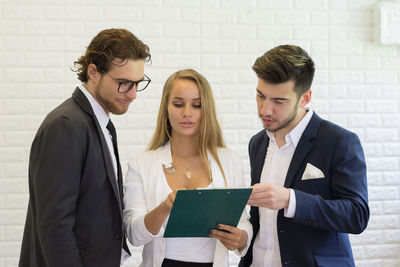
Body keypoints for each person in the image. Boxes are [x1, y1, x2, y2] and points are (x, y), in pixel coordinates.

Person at [18, 28, 151, 267]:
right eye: (123, 83)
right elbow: (55, 226)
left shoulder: (100, 124)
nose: (132, 95)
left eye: (137, 84)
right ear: (93, 72)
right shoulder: (66, 125)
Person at [239, 45, 369, 267]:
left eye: (278, 101)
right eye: (261, 96)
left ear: (305, 98)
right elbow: (262, 220)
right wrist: (242, 235)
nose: (265, 110)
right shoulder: (257, 143)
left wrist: (291, 200)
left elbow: (356, 215)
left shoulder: (339, 141)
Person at [123, 69, 252, 267]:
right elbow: (133, 235)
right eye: (178, 104)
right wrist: (165, 207)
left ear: (206, 109)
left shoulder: (230, 161)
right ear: (166, 108)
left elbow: (242, 220)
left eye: (197, 105)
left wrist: (241, 238)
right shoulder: (142, 164)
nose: (187, 113)